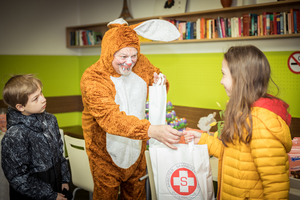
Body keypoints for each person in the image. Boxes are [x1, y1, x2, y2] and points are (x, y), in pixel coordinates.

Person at [80, 18, 182, 199]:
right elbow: (110, 119)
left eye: (133, 55)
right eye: (123, 56)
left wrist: (161, 83)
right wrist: (149, 130)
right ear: (109, 53)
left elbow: (157, 81)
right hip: (105, 157)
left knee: (137, 195)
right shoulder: (93, 77)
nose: (129, 62)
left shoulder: (140, 63)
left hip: (136, 150)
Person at [184, 45, 292, 200]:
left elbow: (276, 189)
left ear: (241, 78)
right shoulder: (244, 113)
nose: (221, 81)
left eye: (223, 74)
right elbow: (232, 154)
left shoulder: (260, 122)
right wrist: (202, 139)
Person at [1, 74, 71, 200]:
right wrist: (50, 195)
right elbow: (18, 177)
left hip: (56, 184)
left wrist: (64, 179)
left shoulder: (50, 120)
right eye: (35, 98)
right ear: (20, 107)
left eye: (41, 93)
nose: (43, 99)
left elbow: (59, 152)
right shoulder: (15, 134)